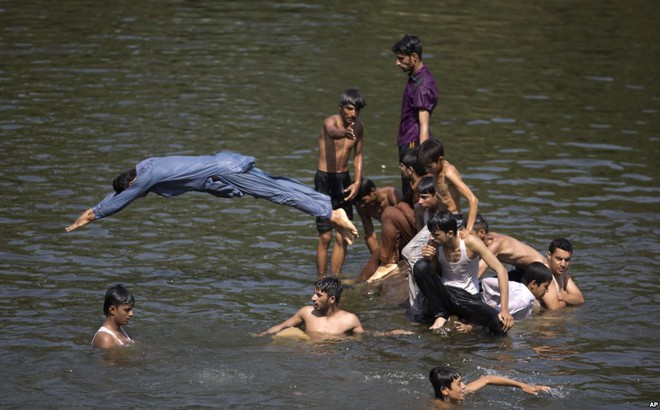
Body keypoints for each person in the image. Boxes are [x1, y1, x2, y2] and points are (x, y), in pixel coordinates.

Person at [65, 151, 358, 243]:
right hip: (227, 162)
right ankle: (328, 207)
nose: (139, 196)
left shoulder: (145, 178)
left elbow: (120, 199)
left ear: (133, 183)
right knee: (279, 184)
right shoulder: (149, 165)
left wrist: (91, 215)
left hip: (226, 172)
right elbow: (122, 190)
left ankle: (330, 214)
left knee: (278, 194)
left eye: (136, 193)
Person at [413, 210, 513, 334]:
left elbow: (501, 270)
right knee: (420, 266)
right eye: (432, 234)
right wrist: (429, 259)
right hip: (445, 292)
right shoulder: (434, 243)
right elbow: (432, 274)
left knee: (500, 325)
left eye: (436, 234)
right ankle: (440, 314)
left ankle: (467, 321)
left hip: (467, 297)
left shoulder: (471, 243)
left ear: (450, 233)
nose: (432, 237)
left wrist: (504, 309)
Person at [315, 89, 366, 277]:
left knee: (343, 234)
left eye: (357, 110)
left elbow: (358, 155)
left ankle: (335, 278)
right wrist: (344, 132)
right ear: (341, 108)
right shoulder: (330, 123)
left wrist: (358, 181)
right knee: (325, 236)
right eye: (350, 109)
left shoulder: (359, 126)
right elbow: (333, 132)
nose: (353, 114)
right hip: (324, 180)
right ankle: (320, 279)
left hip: (344, 180)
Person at [392, 34, 439, 197]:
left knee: (414, 195)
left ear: (414, 57)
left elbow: (424, 124)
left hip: (414, 145)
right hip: (408, 141)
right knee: (407, 193)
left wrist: (424, 160)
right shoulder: (415, 79)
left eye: (400, 58)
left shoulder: (422, 84)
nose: (397, 63)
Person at [354, 178, 416, 283]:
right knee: (366, 274)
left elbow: (406, 219)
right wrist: (378, 256)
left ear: (372, 191)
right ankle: (360, 282)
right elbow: (370, 233)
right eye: (358, 202)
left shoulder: (392, 194)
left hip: (404, 235)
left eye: (364, 200)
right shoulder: (362, 206)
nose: (361, 205)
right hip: (389, 242)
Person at [258, 277, 364, 337]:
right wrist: (261, 335)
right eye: (314, 293)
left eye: (318, 295)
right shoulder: (307, 313)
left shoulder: (350, 320)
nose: (312, 298)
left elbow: (361, 338)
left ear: (332, 299)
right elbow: (282, 326)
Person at [417, 138, 478, 239]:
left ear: (440, 160)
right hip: (439, 218)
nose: (427, 170)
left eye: (429, 166)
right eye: (425, 167)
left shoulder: (449, 173)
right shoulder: (436, 170)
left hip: (453, 221)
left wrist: (468, 229)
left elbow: (473, 199)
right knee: (409, 251)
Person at [470, 215, 548, 278]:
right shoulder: (487, 238)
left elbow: (478, 273)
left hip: (540, 269)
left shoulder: (496, 244)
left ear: (482, 233)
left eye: (470, 234)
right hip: (523, 270)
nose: (467, 239)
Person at [429, 366, 551, 405]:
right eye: (459, 384)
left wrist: (523, 385)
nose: (465, 386)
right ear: (445, 390)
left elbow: (487, 379)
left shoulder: (459, 392)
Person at [481, 262, 552, 321]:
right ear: (533, 284)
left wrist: (489, 301)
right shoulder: (522, 301)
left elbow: (486, 281)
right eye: (545, 286)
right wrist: (491, 305)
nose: (547, 290)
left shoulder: (514, 285)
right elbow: (495, 313)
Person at [541, 238, 585, 310]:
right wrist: (569, 299)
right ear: (549, 255)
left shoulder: (562, 274)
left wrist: (561, 296)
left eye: (567, 260)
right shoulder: (544, 273)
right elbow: (554, 308)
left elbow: (580, 299)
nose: (563, 264)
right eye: (559, 259)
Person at [92, 284, 135, 349]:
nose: (131, 314)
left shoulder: (123, 329)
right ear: (112, 310)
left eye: (131, 309)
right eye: (127, 310)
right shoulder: (105, 339)